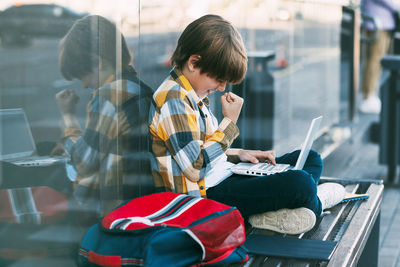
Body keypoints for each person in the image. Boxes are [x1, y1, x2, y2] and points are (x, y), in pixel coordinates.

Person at [148, 14, 345, 235]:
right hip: (207, 198)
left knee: (311, 159)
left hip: (223, 176)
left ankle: (271, 213)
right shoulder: (173, 99)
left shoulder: (192, 94)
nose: (222, 88)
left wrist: (239, 154)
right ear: (194, 63)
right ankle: (315, 202)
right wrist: (229, 122)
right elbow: (195, 167)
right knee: (301, 183)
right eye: (218, 79)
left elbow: (199, 150)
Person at [55, 15, 154, 219]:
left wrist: (68, 118)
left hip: (114, 211)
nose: (84, 85)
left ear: (98, 63)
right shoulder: (143, 90)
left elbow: (83, 163)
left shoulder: (109, 96)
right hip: (142, 204)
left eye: (83, 76)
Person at [359, 0, 399, 114]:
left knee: (373, 61)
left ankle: (369, 95)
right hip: (378, 24)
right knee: (375, 61)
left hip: (378, 23)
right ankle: (369, 95)